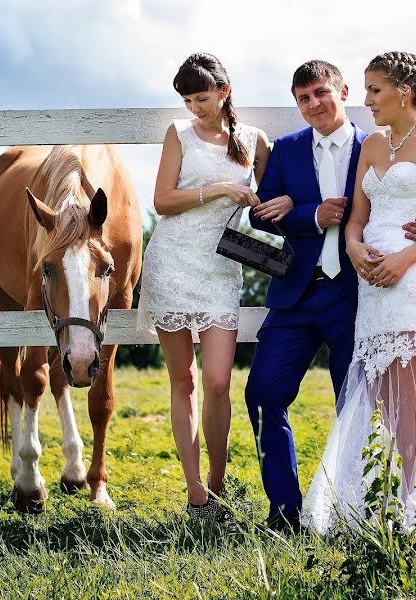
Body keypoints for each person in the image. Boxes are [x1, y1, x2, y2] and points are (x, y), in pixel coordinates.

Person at [245, 59, 416, 532]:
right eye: (303, 98)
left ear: (343, 90)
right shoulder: (288, 151)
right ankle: (285, 511)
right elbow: (259, 217)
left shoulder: (376, 144)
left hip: (359, 295)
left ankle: (362, 509)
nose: (313, 104)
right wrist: (309, 214)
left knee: (357, 403)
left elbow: (411, 195)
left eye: (320, 93)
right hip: (295, 296)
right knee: (262, 393)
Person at [302, 52, 416, 535]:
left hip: (410, 278)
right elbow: (356, 218)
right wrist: (355, 249)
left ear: (405, 92)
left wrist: (403, 259)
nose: (368, 100)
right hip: (370, 280)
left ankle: (413, 506)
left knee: (410, 392)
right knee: (376, 388)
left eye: (375, 90)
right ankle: (374, 500)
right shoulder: (373, 144)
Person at [136, 53, 282, 520]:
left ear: (224, 91)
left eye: (202, 98)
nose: (194, 107)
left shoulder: (253, 140)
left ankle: (219, 485)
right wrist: (220, 189)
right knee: (184, 379)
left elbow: (280, 189)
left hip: (221, 270)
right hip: (172, 263)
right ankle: (196, 491)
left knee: (219, 382)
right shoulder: (178, 134)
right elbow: (161, 201)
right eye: (186, 100)